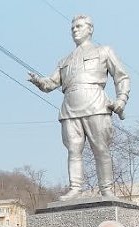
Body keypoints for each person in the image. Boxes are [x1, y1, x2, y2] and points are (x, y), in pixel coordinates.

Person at [28, 15, 130, 201]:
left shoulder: (104, 51)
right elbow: (51, 84)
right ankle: (75, 188)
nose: (75, 30)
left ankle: (106, 189)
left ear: (90, 29)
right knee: (73, 150)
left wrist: (121, 100)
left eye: (79, 26)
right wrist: (38, 81)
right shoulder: (64, 60)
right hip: (69, 108)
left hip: (96, 104)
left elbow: (121, 77)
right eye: (73, 27)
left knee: (101, 148)